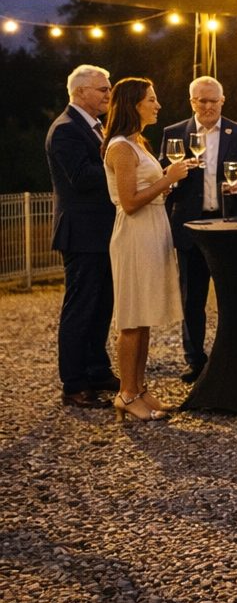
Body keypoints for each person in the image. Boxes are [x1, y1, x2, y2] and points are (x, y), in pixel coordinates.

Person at [159, 75, 237, 382]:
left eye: (213, 100)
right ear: (192, 101)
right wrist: (173, 176)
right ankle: (195, 361)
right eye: (201, 100)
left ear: (222, 101)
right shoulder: (174, 133)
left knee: (235, 295)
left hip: (228, 224)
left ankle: (236, 355)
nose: (207, 106)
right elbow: (164, 176)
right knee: (192, 298)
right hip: (190, 225)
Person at [102, 78, 192, 421]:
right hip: (135, 235)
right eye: (151, 100)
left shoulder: (138, 142)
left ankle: (139, 389)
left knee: (145, 316)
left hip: (152, 229)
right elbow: (128, 202)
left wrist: (162, 187)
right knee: (131, 317)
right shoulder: (121, 148)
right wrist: (168, 178)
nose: (158, 105)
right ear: (133, 104)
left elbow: (144, 191)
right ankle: (125, 394)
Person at [46, 64, 121, 408]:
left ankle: (97, 369)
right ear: (80, 92)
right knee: (81, 308)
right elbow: (81, 176)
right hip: (82, 233)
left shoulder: (94, 127)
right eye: (103, 89)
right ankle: (74, 383)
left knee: (102, 305)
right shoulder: (65, 129)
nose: (109, 95)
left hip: (102, 232)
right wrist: (124, 165)